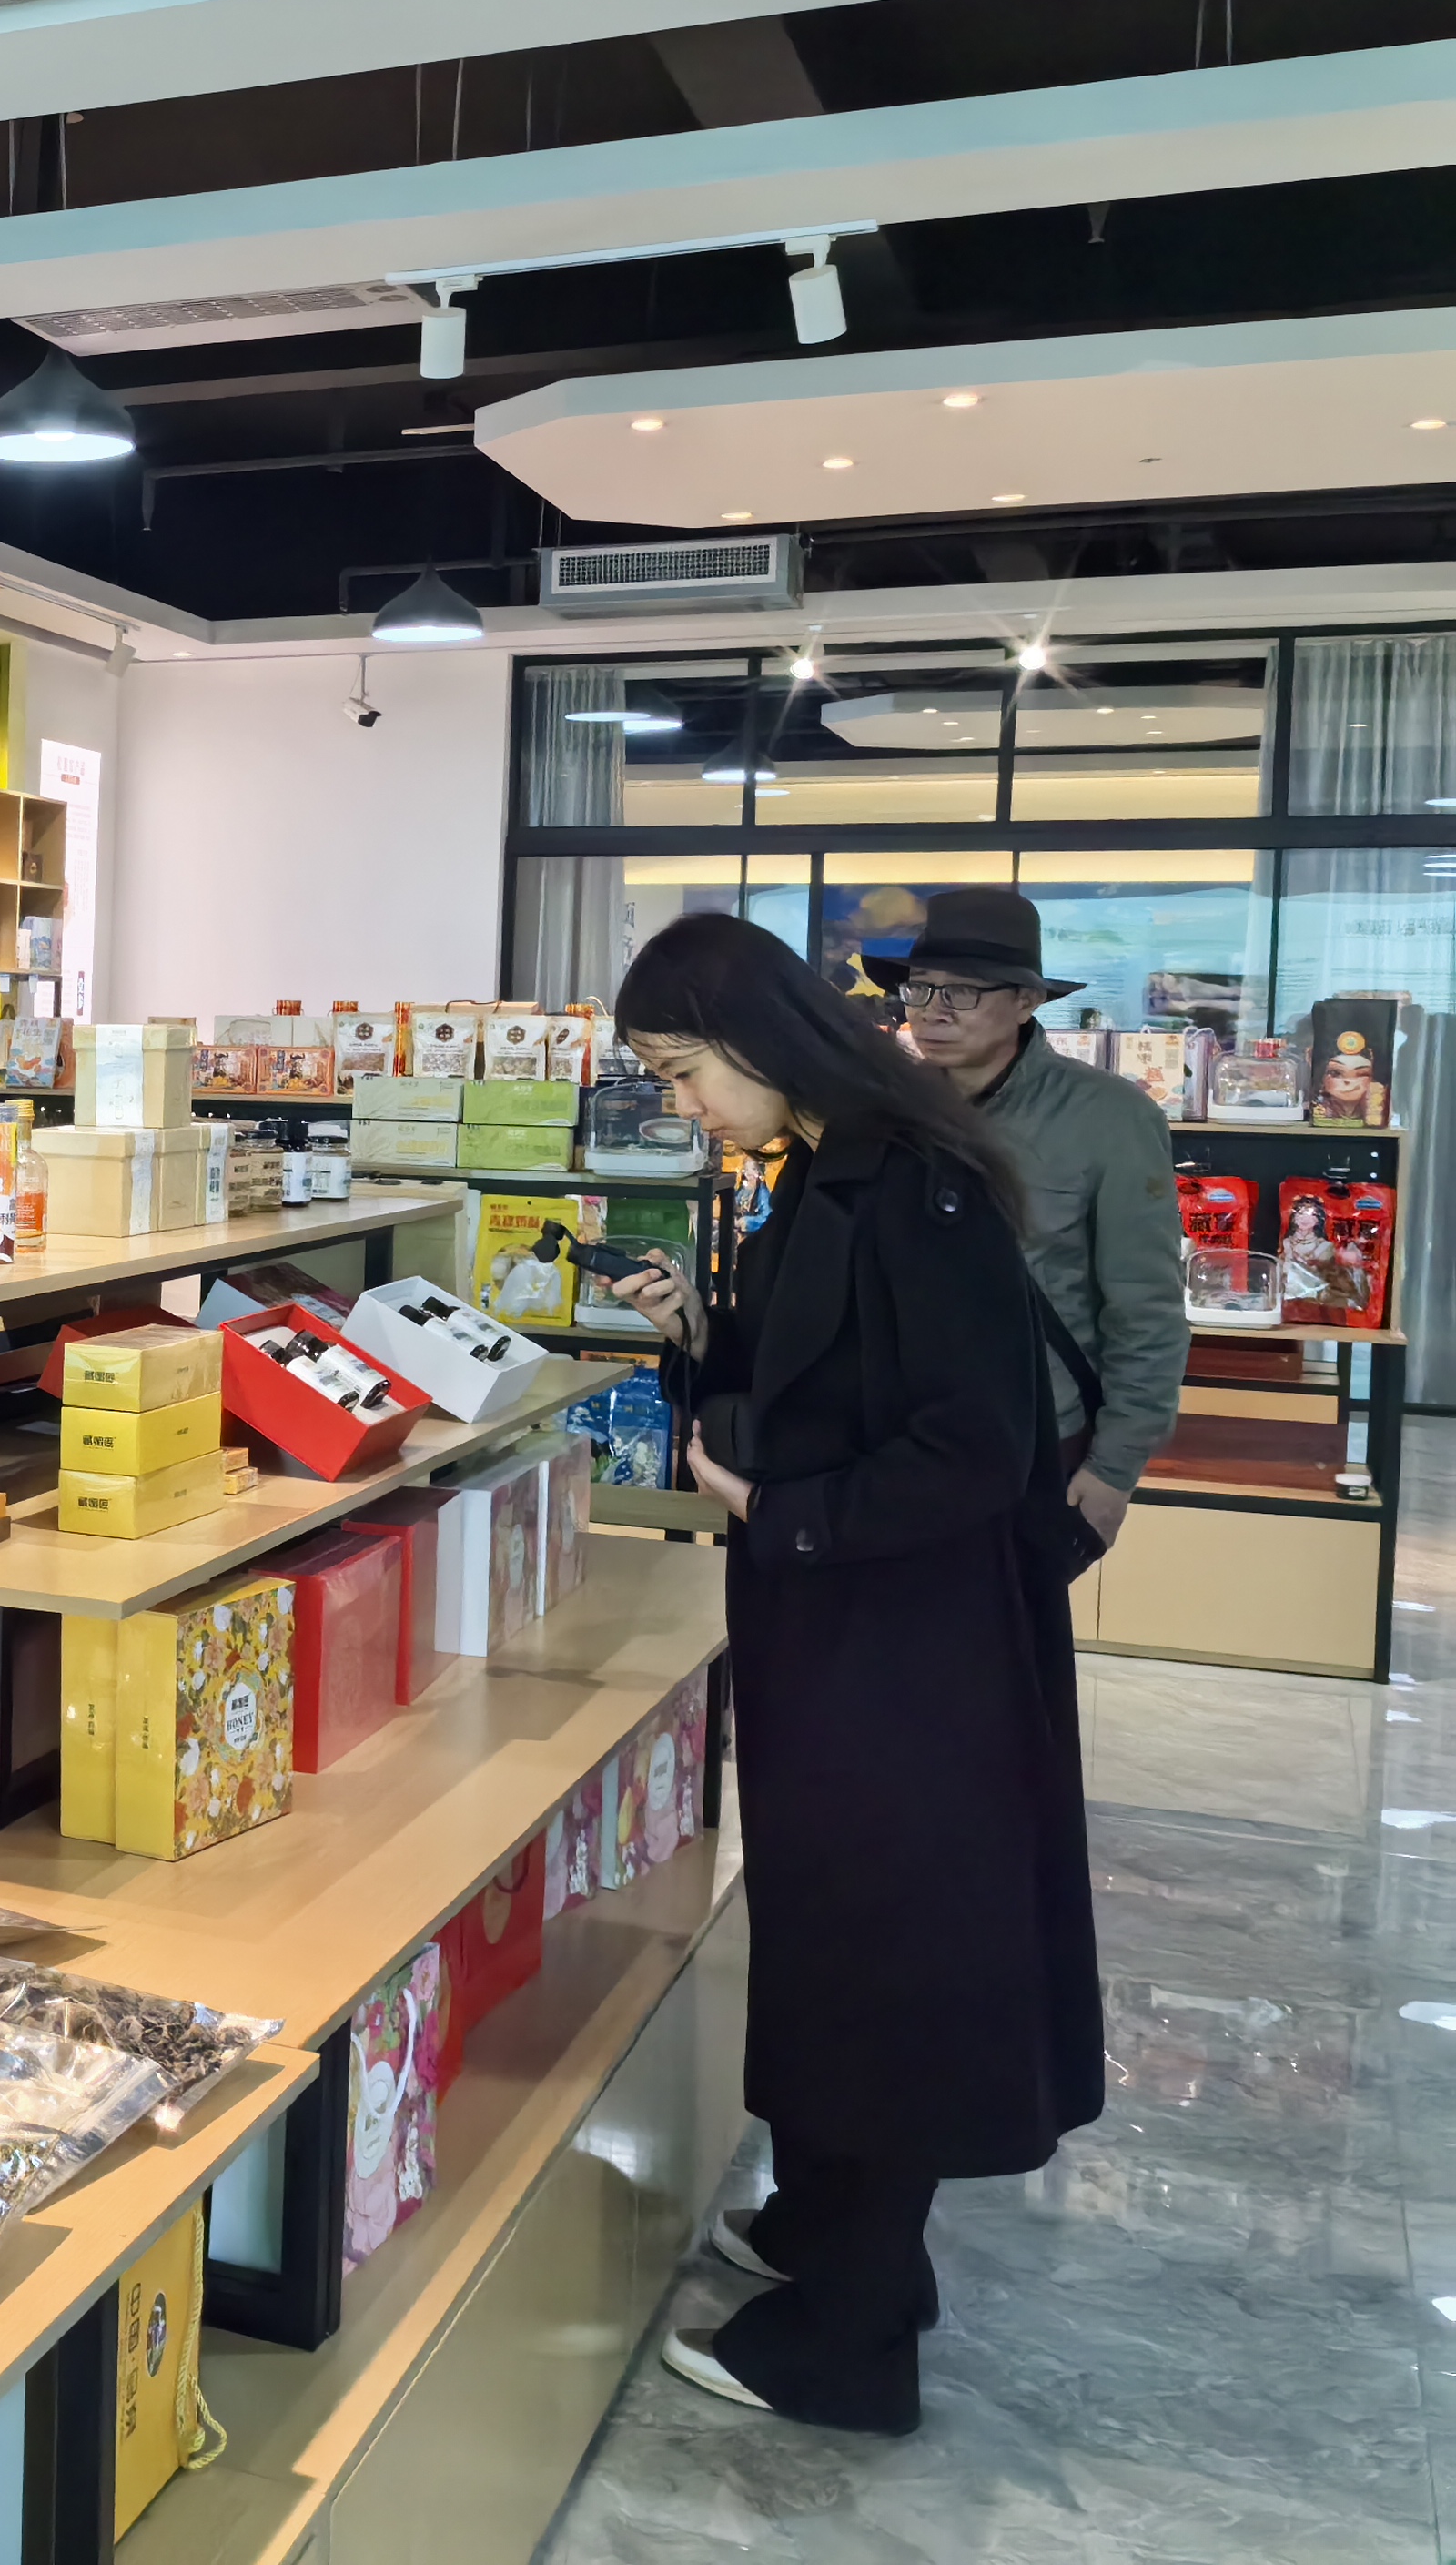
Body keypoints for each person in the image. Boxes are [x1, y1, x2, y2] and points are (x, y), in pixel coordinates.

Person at [605, 912, 1101, 2438]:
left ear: (755, 1037)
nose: (683, 1102)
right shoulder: (824, 1171)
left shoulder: (914, 1188)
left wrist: (783, 1509)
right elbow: (809, 1392)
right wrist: (697, 1342)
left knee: (891, 1955)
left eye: (682, 1069)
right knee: (835, 1933)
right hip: (842, 1634)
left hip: (913, 1650)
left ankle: (854, 2341)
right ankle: (829, 2230)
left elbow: (971, 1452)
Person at [863, 886, 1185, 1550]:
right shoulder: (889, 1113)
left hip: (1041, 1438)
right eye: (920, 989)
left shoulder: (1109, 1117)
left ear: (1026, 1001)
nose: (933, 1011)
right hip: (898, 1436)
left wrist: (1115, 1468)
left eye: (963, 992)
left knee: (1018, 1612)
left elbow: (1145, 1310)